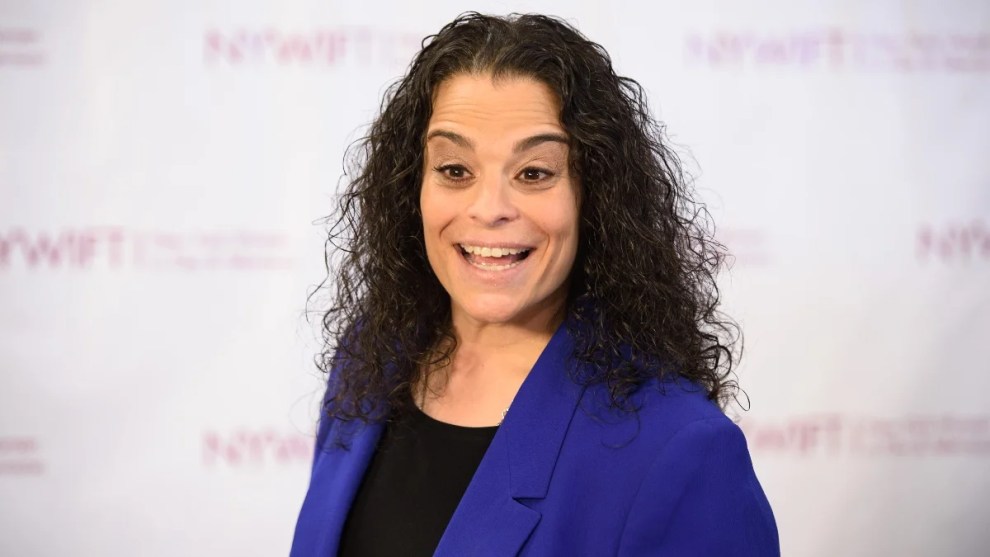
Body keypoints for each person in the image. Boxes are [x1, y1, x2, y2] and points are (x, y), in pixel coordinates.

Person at [291, 12, 779, 557]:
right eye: (455, 170)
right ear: (412, 187)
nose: (489, 210)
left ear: (594, 196)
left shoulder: (680, 448)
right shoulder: (371, 357)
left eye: (534, 173)